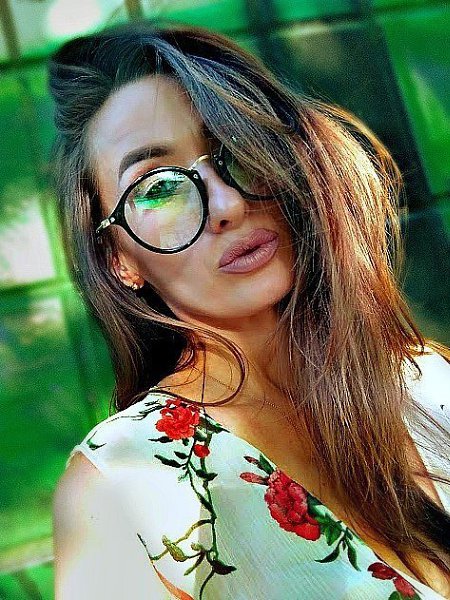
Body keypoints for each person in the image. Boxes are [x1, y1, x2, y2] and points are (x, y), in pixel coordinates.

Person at [48, 21, 450, 599]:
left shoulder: (426, 385)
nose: (228, 203)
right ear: (119, 259)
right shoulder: (124, 486)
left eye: (233, 149)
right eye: (158, 187)